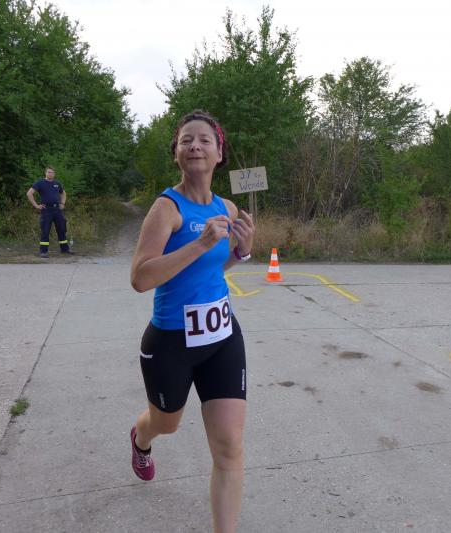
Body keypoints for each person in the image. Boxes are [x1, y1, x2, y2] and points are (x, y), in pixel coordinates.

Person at [129, 110, 255, 533]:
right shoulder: (167, 208)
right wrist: (200, 243)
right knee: (166, 423)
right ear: (177, 154)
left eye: (204, 140)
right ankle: (141, 438)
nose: (195, 146)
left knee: (229, 446)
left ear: (219, 153)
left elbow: (217, 268)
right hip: (172, 341)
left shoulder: (227, 207)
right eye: (186, 140)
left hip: (222, 336)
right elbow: (140, 278)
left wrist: (242, 253)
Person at [26, 166, 73, 258]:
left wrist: (62, 203)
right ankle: (43, 252)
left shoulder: (57, 183)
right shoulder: (40, 183)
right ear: (45, 173)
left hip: (57, 210)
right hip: (46, 210)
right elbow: (29, 193)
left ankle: (65, 250)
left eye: (52, 172)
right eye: (49, 172)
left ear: (54, 174)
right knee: (45, 230)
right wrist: (36, 205)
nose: (51, 174)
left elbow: (63, 193)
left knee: (62, 229)